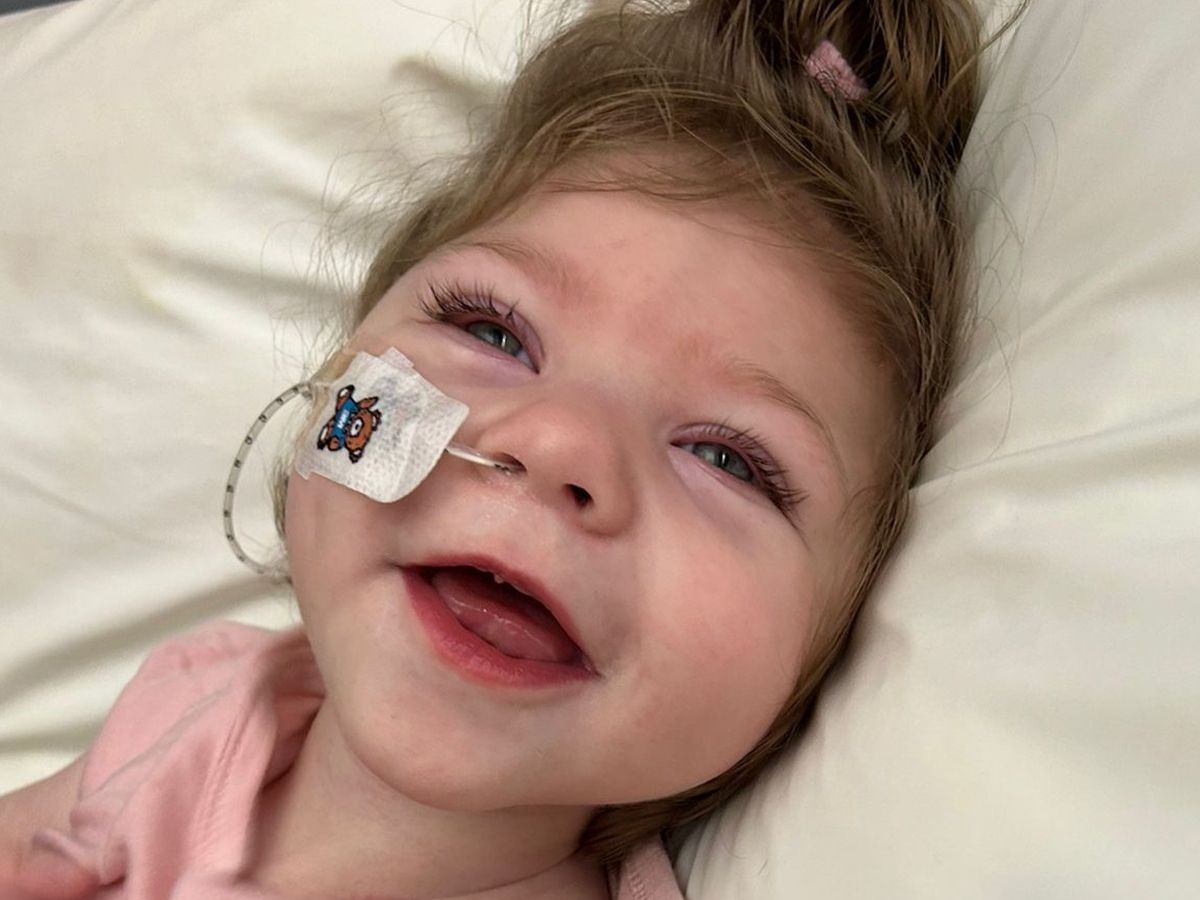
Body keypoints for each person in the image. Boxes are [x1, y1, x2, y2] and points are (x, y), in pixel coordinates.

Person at [0, 0, 998, 896]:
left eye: (728, 458)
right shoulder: (198, 695)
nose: (560, 445)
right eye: (492, 332)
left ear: (826, 650)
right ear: (337, 381)